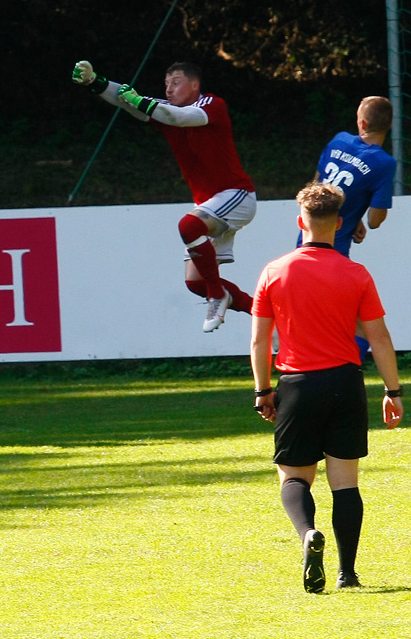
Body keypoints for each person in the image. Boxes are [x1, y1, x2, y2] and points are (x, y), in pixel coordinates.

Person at [251, 182, 403, 593]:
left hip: (298, 384)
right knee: (345, 482)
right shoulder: (355, 273)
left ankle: (307, 534)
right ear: (338, 224)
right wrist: (393, 392)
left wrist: (263, 391)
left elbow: (260, 341)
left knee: (294, 476)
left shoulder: (274, 271)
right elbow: (380, 338)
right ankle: (347, 573)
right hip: (346, 383)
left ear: (301, 222)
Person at [72, 60, 257, 333]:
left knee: (188, 226)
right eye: (166, 84)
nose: (169, 89)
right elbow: (125, 100)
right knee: (196, 282)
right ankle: (267, 312)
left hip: (236, 195)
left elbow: (177, 117)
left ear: (195, 85)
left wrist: (139, 101)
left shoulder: (211, 104)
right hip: (210, 204)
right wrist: (94, 82)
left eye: (176, 82)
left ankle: (218, 295)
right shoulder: (164, 109)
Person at [302, 96, 397, 362]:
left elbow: (315, 190)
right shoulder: (384, 164)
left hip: (304, 242)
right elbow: (376, 221)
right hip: (334, 252)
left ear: (362, 122)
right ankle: (344, 369)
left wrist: (352, 215)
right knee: (364, 325)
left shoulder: (340, 140)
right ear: (388, 126)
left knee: (336, 318)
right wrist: (361, 216)